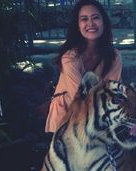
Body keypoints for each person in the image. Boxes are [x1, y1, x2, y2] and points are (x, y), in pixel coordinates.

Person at [45, 0, 123, 133]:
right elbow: (80, 97)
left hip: (99, 120)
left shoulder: (114, 56)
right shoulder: (69, 58)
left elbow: (113, 92)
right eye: (84, 19)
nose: (90, 24)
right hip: (65, 120)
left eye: (96, 18)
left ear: (104, 22)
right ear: (78, 25)